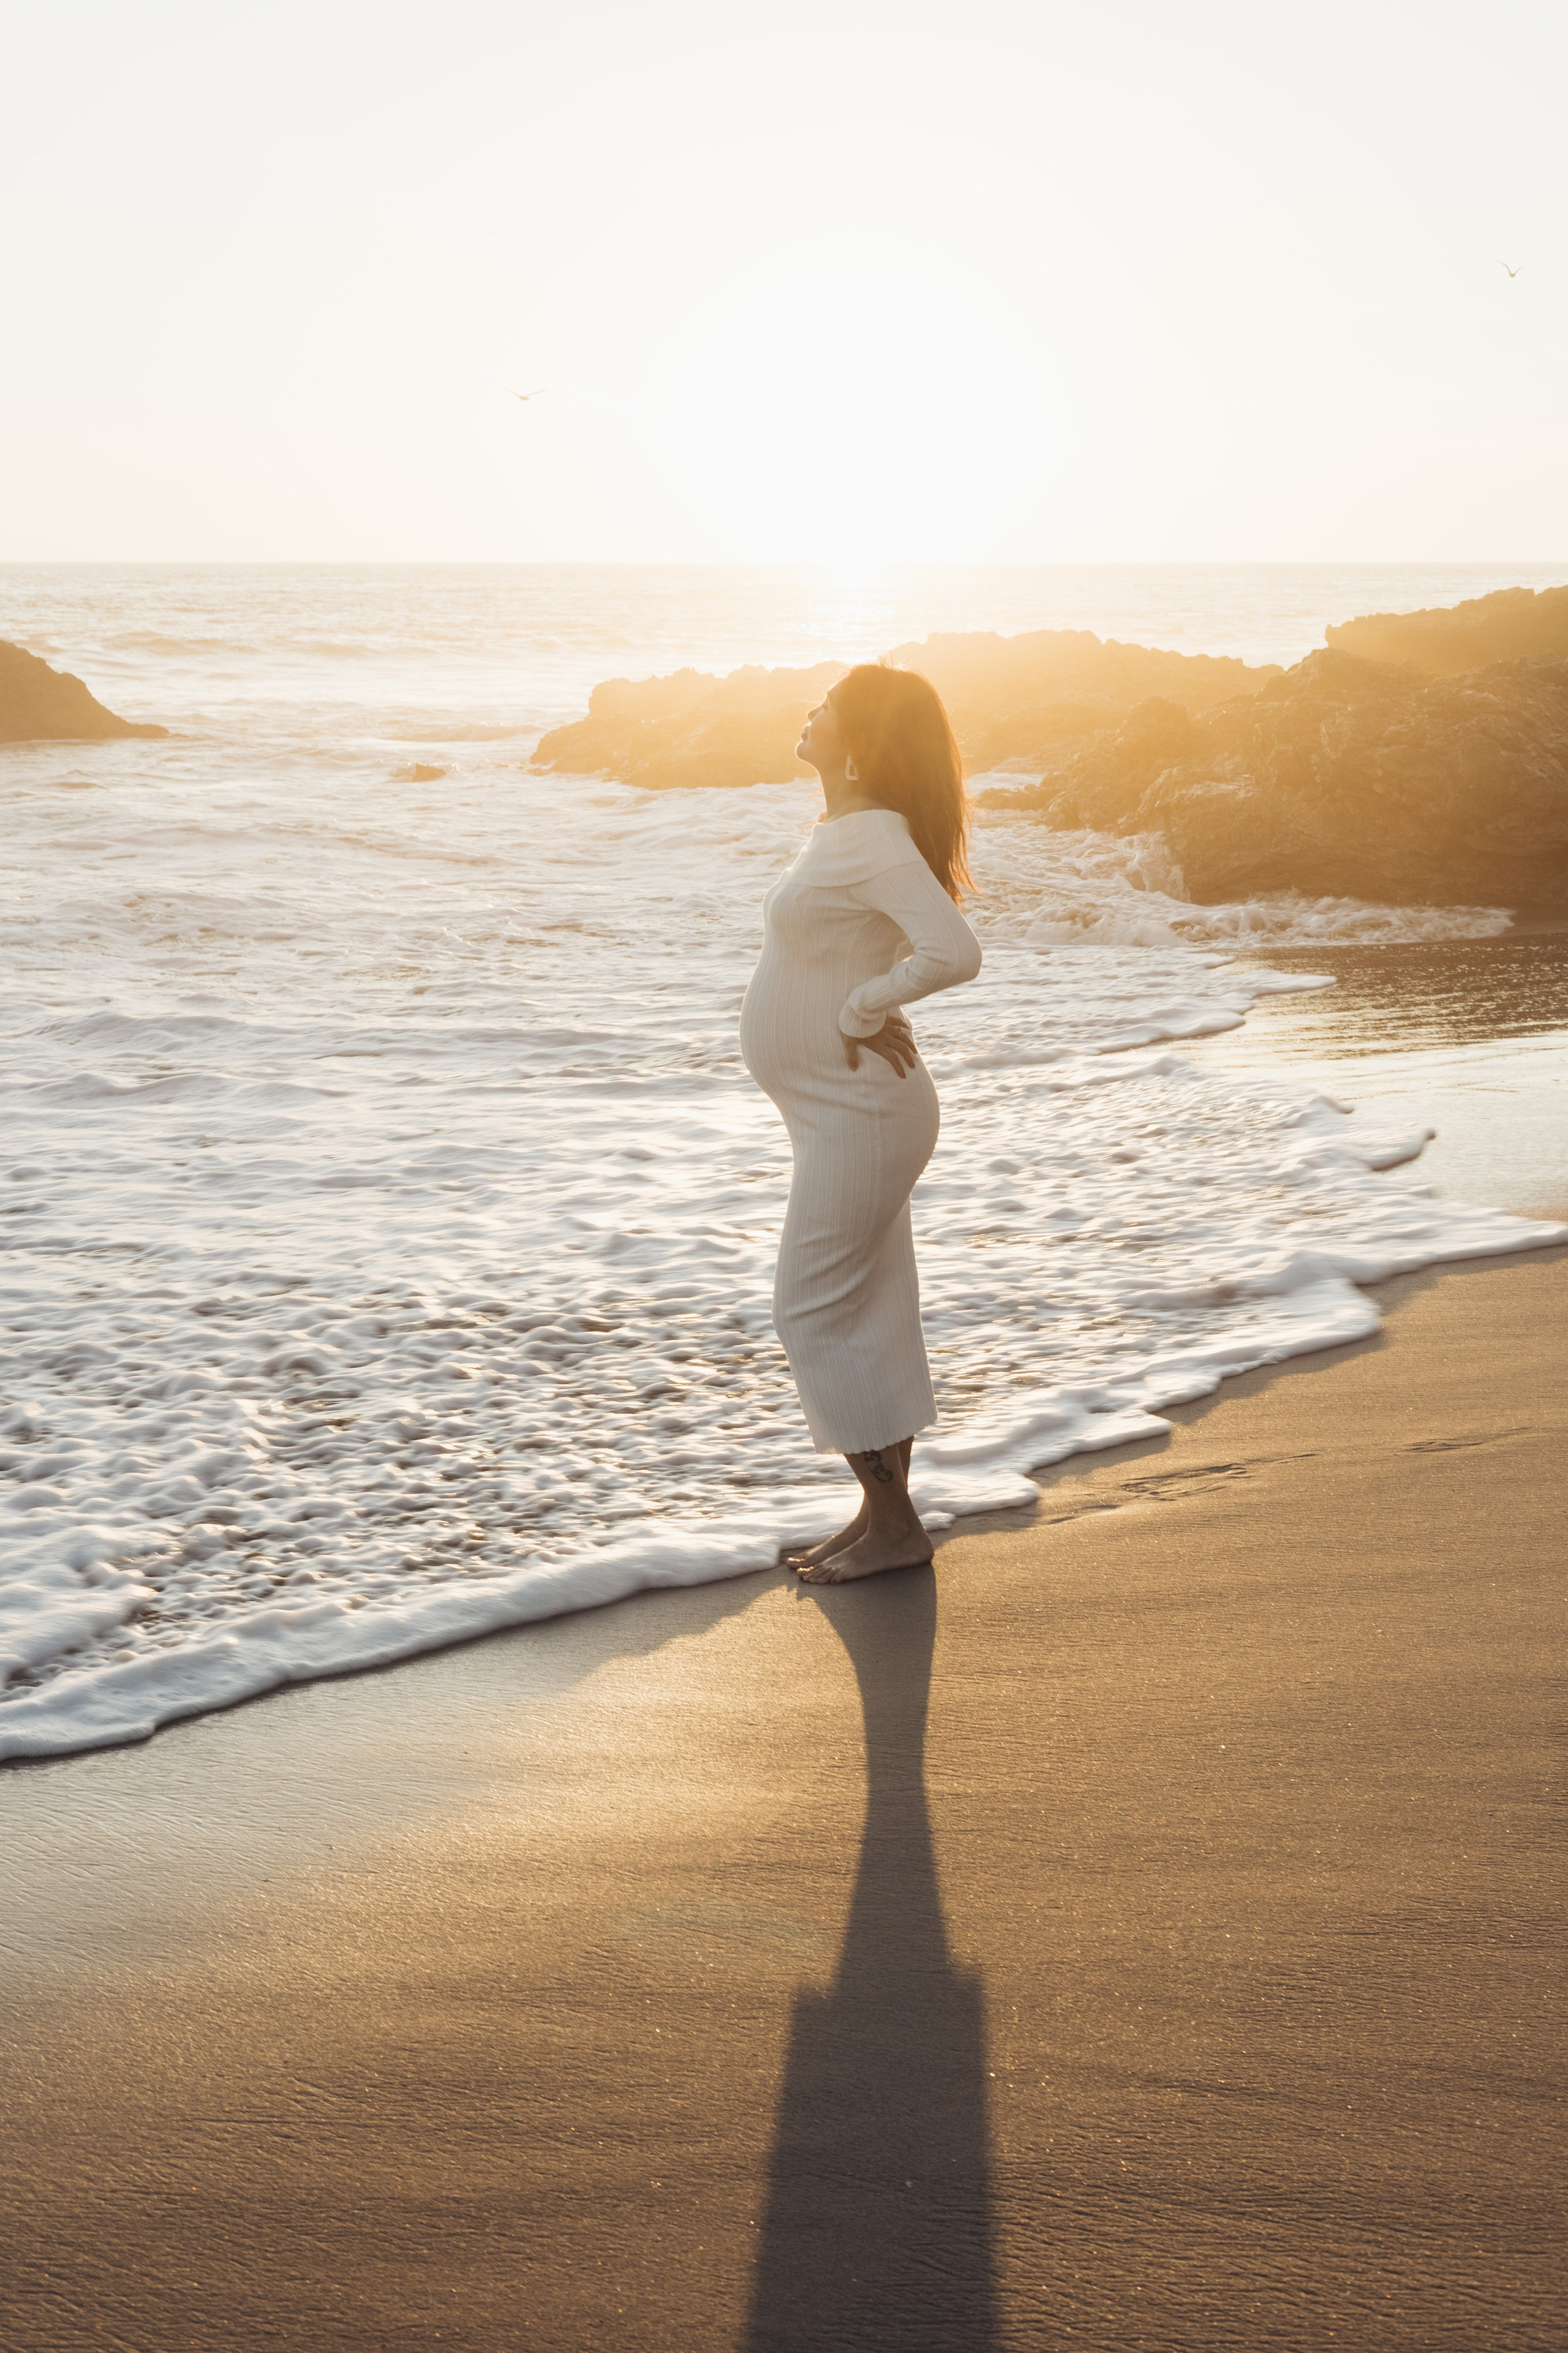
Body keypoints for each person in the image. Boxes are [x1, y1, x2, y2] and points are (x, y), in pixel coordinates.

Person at [739, 663, 982, 1584]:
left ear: (859, 738)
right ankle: (882, 1518)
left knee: (809, 1307)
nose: (810, 711)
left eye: (827, 705)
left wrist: (863, 1008)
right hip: (840, 1113)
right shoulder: (850, 832)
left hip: (860, 1113)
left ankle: (896, 1523)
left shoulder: (868, 838)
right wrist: (865, 1001)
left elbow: (954, 951)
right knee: (869, 1309)